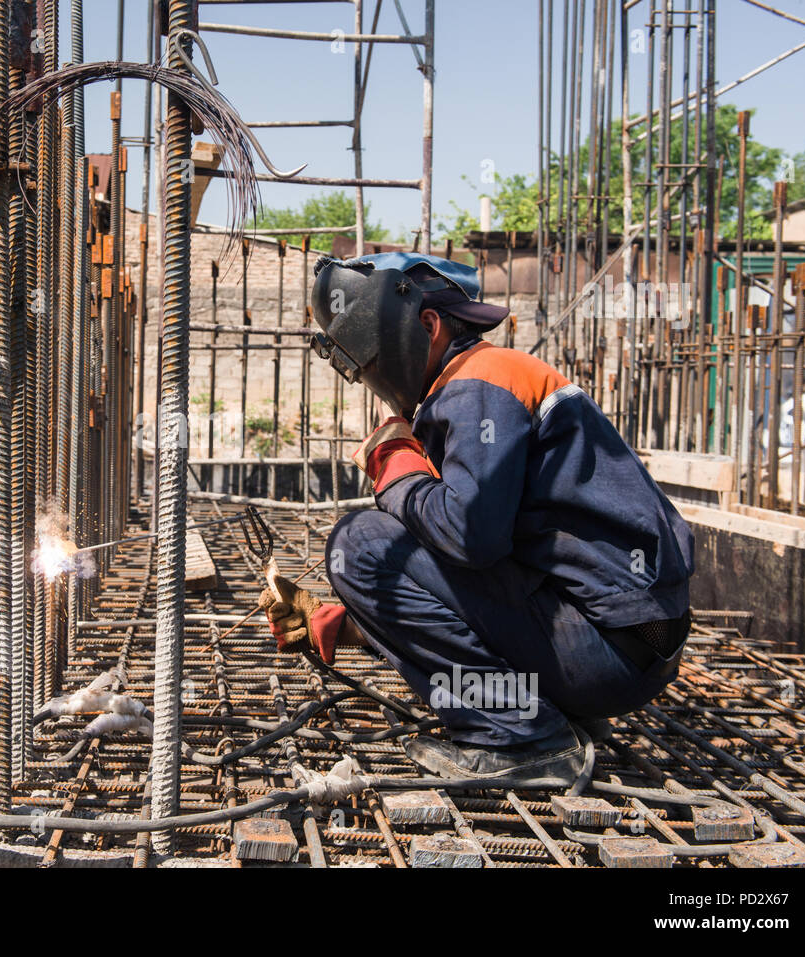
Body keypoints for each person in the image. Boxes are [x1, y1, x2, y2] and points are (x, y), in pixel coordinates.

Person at [259, 252, 694, 787]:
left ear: (427, 325)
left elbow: (472, 539)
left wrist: (395, 469)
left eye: (370, 359)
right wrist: (351, 626)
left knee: (363, 543)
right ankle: (550, 715)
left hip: (606, 653)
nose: (370, 378)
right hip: (632, 651)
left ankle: (526, 738)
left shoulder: (479, 383)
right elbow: (481, 580)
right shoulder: (493, 380)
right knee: (383, 545)